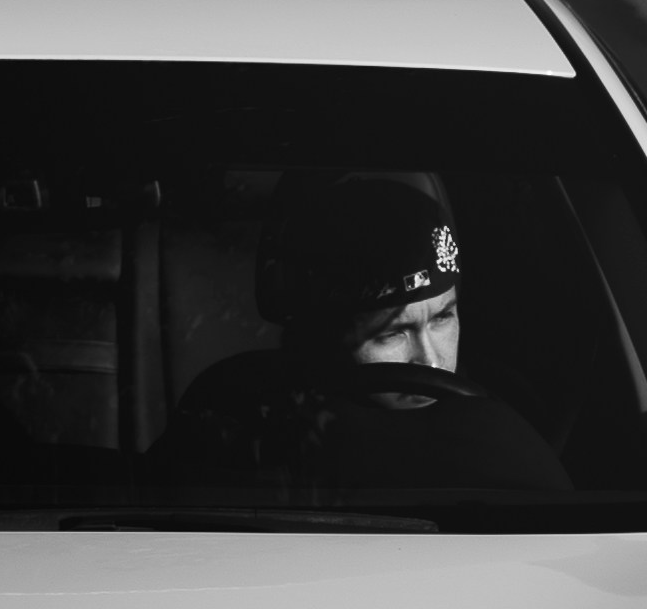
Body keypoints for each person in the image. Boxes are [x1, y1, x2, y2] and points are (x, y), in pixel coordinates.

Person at [150, 170, 565, 506]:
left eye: (442, 318)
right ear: (324, 337)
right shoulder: (244, 432)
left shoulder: (507, 424)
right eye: (394, 333)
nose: (431, 361)